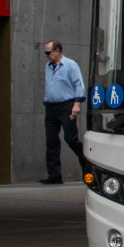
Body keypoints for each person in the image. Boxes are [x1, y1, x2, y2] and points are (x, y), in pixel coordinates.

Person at [42, 40, 89, 185]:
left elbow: (79, 84)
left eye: (48, 52)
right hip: (50, 107)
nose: (47, 56)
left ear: (57, 51)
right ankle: (54, 175)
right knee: (51, 141)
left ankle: (87, 164)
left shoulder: (70, 65)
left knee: (71, 138)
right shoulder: (48, 67)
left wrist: (76, 105)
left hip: (66, 106)